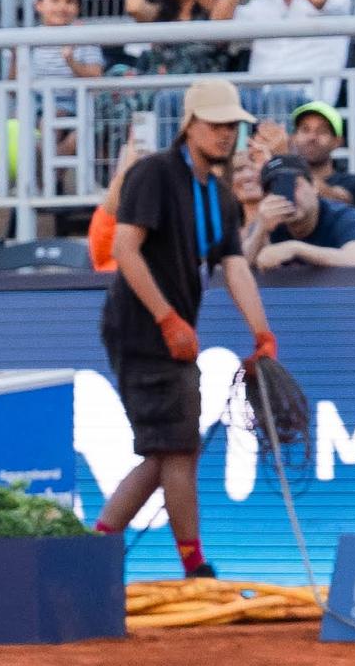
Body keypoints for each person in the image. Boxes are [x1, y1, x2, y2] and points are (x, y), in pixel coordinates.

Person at [94, 78, 281, 582]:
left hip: (168, 330)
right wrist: (166, 317)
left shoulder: (217, 194)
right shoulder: (154, 174)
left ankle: (99, 548)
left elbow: (235, 265)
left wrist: (262, 333)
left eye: (231, 127)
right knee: (177, 447)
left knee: (168, 450)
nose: (225, 135)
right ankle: (193, 565)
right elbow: (125, 251)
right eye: (216, 125)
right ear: (190, 124)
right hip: (140, 327)